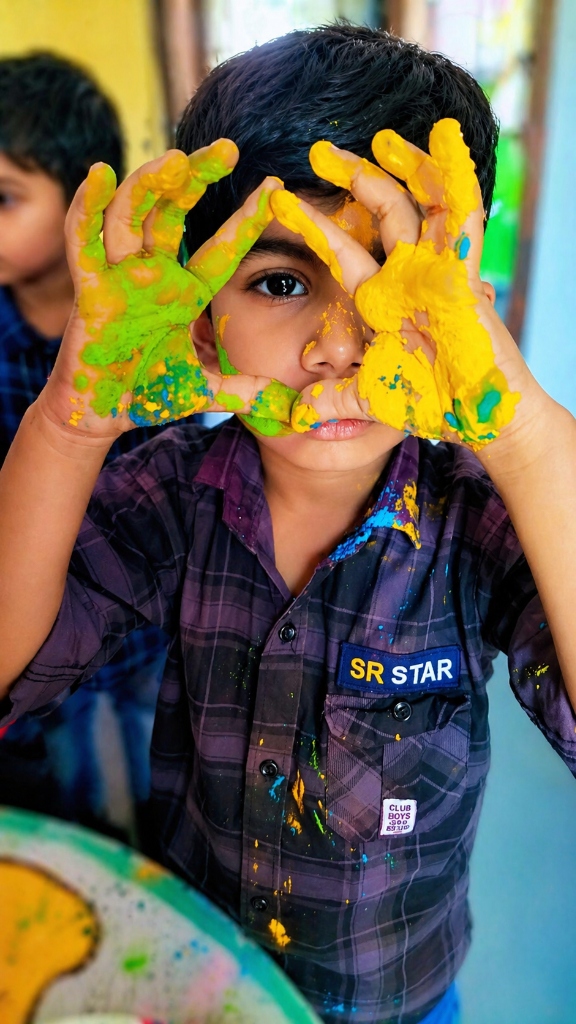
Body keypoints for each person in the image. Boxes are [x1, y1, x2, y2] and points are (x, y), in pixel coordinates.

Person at [1, 24, 575, 1024]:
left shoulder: (477, 520)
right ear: (201, 315)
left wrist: (520, 431)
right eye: (279, 283)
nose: (337, 346)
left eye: (387, 287)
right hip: (205, 982)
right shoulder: (171, 493)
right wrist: (70, 420)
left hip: (407, 998)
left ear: (462, 301)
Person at [0, 52, 172, 847]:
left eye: (4, 199)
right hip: (23, 631)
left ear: (80, 202)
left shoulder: (147, 326)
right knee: (62, 820)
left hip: (136, 638)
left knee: (144, 798)